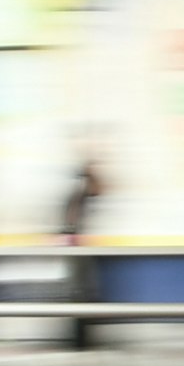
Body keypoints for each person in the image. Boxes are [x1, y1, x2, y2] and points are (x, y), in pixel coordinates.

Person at [58, 143, 107, 352]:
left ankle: (82, 337)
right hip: (76, 248)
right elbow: (69, 221)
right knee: (78, 291)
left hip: (80, 248)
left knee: (82, 291)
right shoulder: (77, 194)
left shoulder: (82, 194)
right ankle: (79, 338)